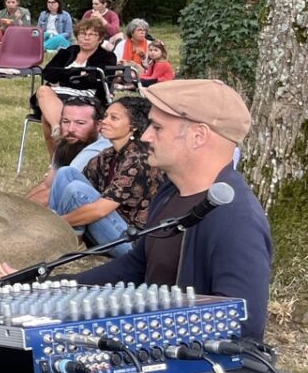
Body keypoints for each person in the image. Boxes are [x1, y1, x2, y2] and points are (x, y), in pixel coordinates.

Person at [76, 80, 272, 336]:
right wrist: (46, 288)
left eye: (157, 128)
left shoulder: (236, 218)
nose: (145, 136)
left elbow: (243, 324)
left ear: (198, 136)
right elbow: (137, 266)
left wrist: (151, 330)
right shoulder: (170, 192)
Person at [47, 97, 159, 256]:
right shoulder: (108, 155)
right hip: (109, 228)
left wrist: (56, 222)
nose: (104, 121)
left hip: (132, 242)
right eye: (105, 116)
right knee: (66, 173)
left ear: (133, 126)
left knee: (76, 189)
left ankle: (60, 237)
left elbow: (98, 210)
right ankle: (61, 237)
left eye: (114, 118)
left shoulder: (140, 159)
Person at [35, 17, 119, 147]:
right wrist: (77, 73)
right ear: (77, 36)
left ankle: (57, 157)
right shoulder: (67, 52)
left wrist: (62, 78)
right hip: (56, 96)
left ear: (100, 39)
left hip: (86, 98)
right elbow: (48, 73)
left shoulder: (107, 57)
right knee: (43, 90)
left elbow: (94, 81)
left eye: (92, 35)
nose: (86, 38)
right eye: (82, 34)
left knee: (46, 118)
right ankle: (58, 127)